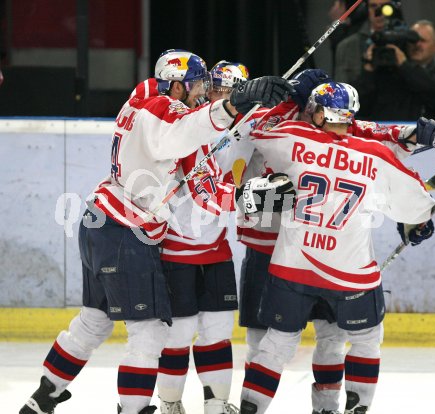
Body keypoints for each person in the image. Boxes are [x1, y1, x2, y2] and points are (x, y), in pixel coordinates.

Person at [19, 49, 295, 414]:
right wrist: (233, 109)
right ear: (177, 86)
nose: (202, 91)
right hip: (125, 230)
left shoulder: (142, 95)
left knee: (94, 321)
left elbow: (189, 130)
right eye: (198, 85)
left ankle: (42, 398)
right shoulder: (165, 115)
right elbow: (191, 135)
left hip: (99, 219)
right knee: (149, 333)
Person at [235, 81, 435, 414]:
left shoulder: (291, 137)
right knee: (365, 340)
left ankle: (250, 407)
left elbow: (250, 133)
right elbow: (416, 209)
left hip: (291, 268)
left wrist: (283, 102)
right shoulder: (375, 154)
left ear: (317, 111)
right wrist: (420, 221)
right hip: (350, 275)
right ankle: (355, 408)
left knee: (276, 343)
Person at [155, 60, 250, 414]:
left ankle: (216, 404)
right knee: (177, 335)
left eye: (233, 93)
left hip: (215, 248)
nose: (224, 98)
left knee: (217, 330)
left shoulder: (246, 129)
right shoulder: (190, 126)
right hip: (176, 248)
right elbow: (206, 193)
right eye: (218, 90)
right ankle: (169, 404)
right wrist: (247, 199)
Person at [354, 19, 435, 120]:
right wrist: (368, 70)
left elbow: (433, 93)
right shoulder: (388, 73)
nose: (417, 44)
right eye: (412, 40)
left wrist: (404, 65)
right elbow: (358, 104)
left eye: (422, 40)